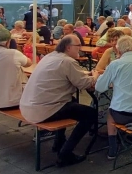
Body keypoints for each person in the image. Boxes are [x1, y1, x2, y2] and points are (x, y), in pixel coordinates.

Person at [21, 34, 98, 166]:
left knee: (72, 102)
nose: (80, 48)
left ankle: (59, 142)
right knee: (90, 114)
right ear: (68, 47)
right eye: (78, 46)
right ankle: (65, 154)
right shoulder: (68, 61)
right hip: (43, 110)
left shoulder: (50, 56)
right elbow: (84, 83)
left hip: (27, 105)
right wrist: (95, 75)